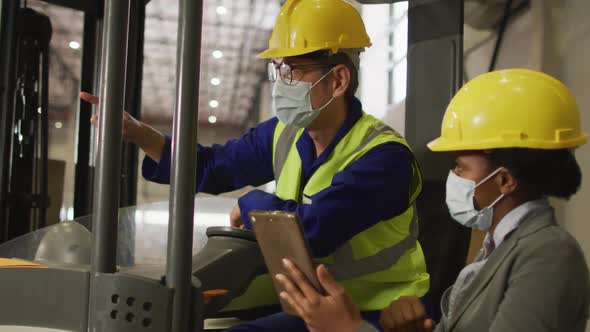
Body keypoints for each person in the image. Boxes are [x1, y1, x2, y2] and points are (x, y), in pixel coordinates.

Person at [80, 0, 430, 330]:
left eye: (292, 70)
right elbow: (212, 167)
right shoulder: (286, 133)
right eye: (277, 69)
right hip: (303, 299)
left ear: (338, 80)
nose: (280, 83)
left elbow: (313, 231)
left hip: (374, 310)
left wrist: (250, 205)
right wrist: (139, 134)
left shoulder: (385, 157)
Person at [276, 68, 590, 332]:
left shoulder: (549, 254)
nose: (453, 177)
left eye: (460, 167)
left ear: (504, 180)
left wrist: (349, 328)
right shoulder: (496, 250)